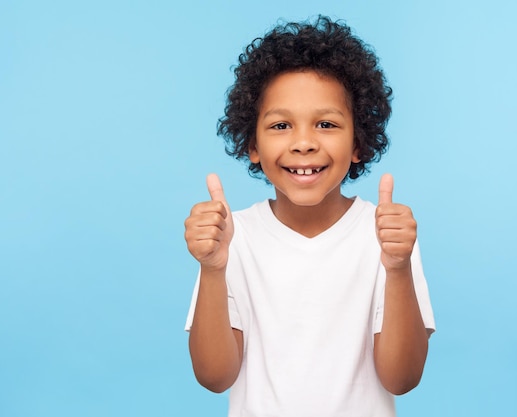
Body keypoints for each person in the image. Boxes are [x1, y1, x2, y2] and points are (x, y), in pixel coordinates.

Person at [184, 15, 435, 417]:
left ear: (359, 142)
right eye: (281, 125)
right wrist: (213, 269)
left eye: (326, 124)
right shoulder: (232, 238)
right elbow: (214, 377)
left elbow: (401, 379)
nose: (303, 143)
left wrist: (398, 268)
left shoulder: (388, 236)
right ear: (252, 143)